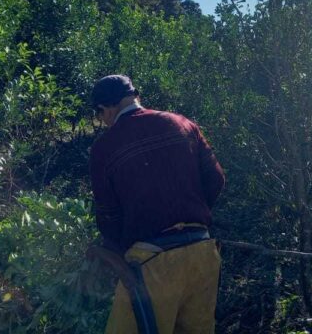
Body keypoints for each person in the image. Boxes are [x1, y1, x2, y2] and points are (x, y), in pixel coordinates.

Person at [89, 74, 225, 334]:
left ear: (105, 108)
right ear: (135, 96)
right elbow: (216, 179)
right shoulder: (182, 124)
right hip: (203, 253)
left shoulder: (104, 148)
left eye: (99, 115)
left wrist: (118, 250)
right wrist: (189, 213)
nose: (102, 122)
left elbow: (108, 215)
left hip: (152, 263)